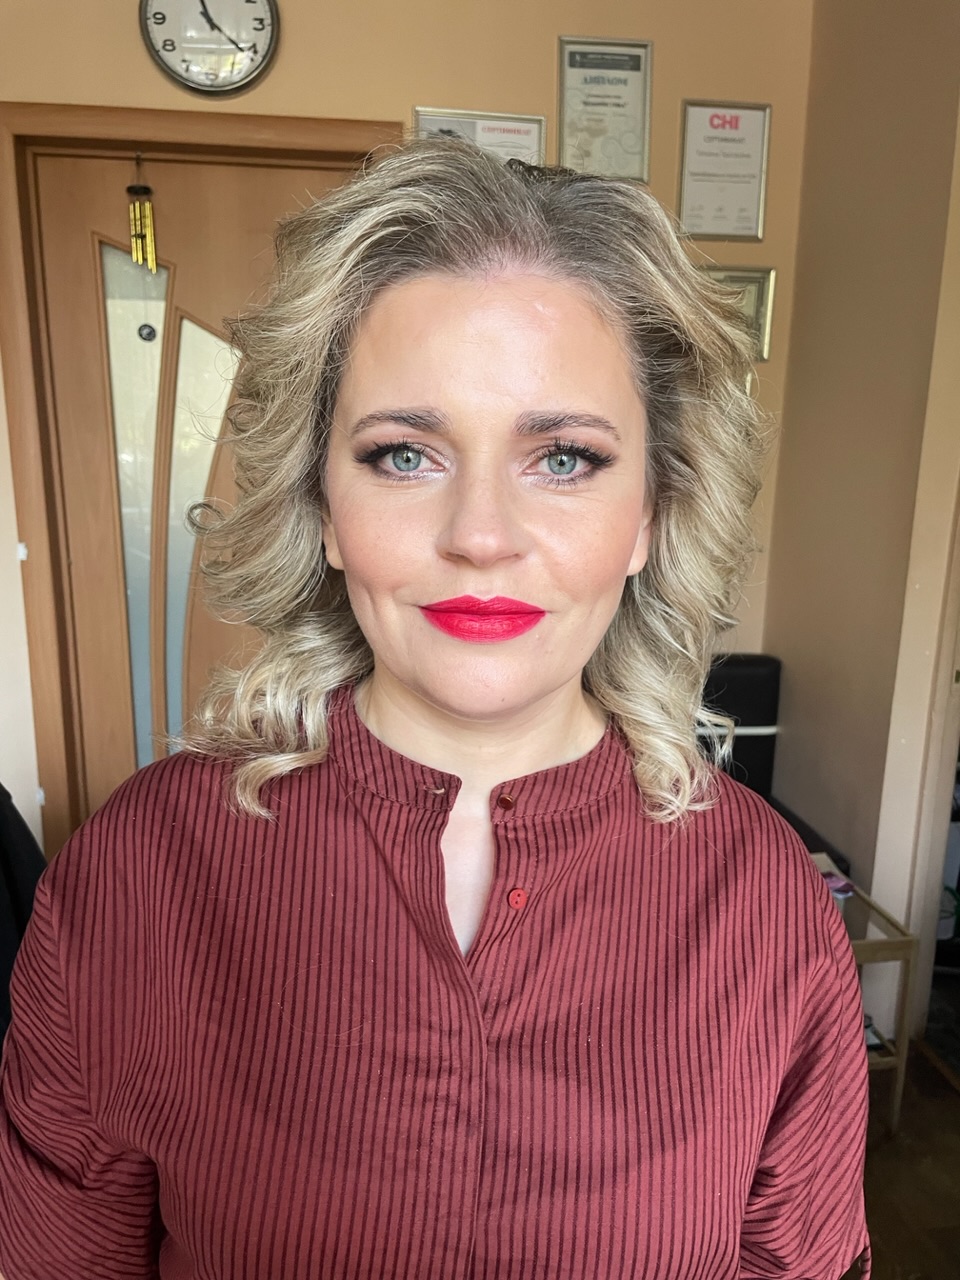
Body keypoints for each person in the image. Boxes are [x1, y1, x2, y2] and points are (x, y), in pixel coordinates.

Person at [0, 141, 869, 1279]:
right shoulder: (139, 870)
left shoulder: (765, 904)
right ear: (322, 505)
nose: (481, 535)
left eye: (565, 458)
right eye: (405, 454)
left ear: (653, 515)